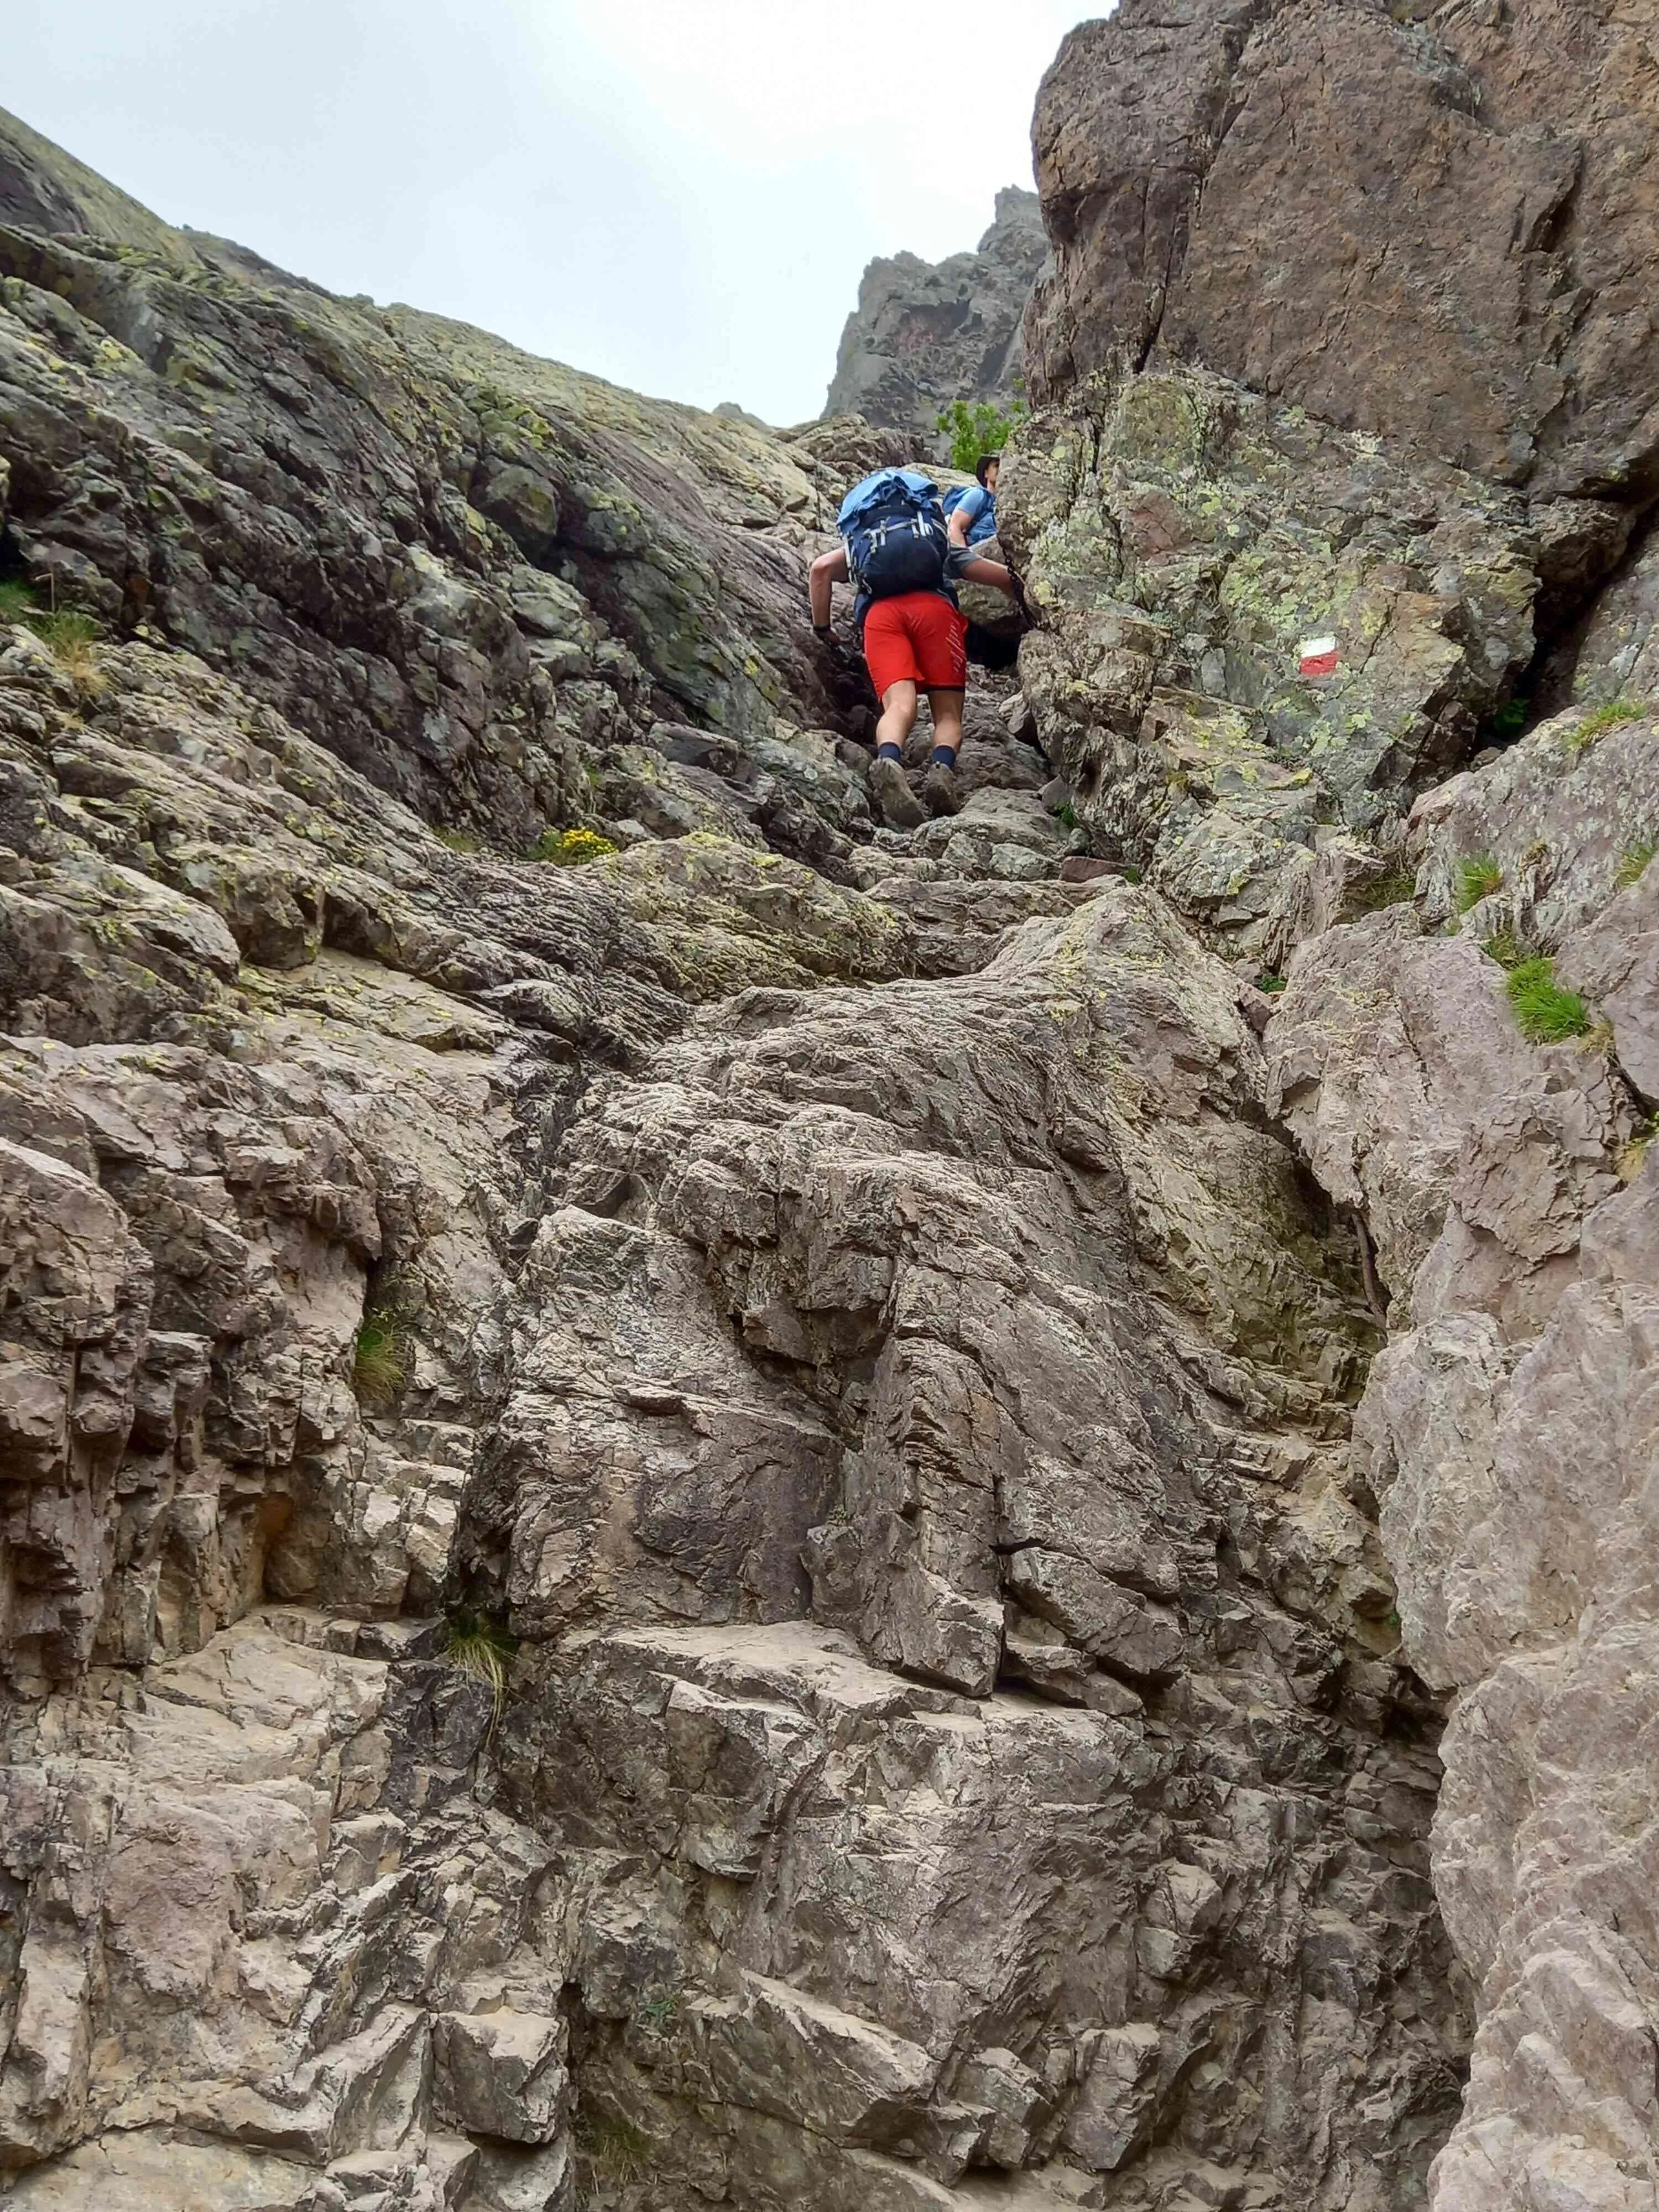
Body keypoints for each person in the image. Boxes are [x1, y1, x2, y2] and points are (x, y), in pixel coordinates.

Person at [810, 469, 1017, 827]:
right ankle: (942, 771)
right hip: (935, 613)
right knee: (948, 715)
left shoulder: (864, 544)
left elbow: (819, 570)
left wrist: (823, 627)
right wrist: (1036, 607)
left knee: (899, 705)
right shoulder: (933, 539)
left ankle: (890, 763)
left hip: (881, 617)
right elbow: (999, 576)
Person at [946, 454, 1001, 551]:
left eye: (1003, 465)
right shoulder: (978, 495)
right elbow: (955, 526)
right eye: (996, 465)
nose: (1000, 469)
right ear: (986, 473)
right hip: (974, 555)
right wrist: (964, 559)